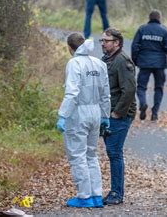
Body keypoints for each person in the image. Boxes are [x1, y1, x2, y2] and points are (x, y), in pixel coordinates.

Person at [57, 33, 111, 208]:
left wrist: (63, 115)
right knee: (91, 154)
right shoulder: (99, 63)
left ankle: (84, 196)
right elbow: (106, 93)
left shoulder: (74, 64)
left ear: (70, 48)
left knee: (77, 155)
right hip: (95, 111)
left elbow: (72, 93)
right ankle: (96, 194)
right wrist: (105, 116)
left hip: (78, 112)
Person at [100, 28, 136, 205]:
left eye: (107, 40)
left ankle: (116, 193)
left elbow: (129, 90)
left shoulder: (122, 60)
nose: (103, 43)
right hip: (108, 113)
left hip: (120, 114)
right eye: (102, 40)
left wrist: (116, 113)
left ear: (117, 43)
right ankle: (114, 191)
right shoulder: (107, 59)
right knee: (111, 152)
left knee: (114, 153)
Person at [131, 10, 167, 121]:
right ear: (160, 18)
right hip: (159, 64)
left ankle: (143, 103)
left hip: (144, 63)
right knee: (159, 88)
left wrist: (134, 61)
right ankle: (155, 112)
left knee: (141, 87)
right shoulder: (164, 31)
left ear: (149, 18)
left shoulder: (142, 29)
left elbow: (135, 46)